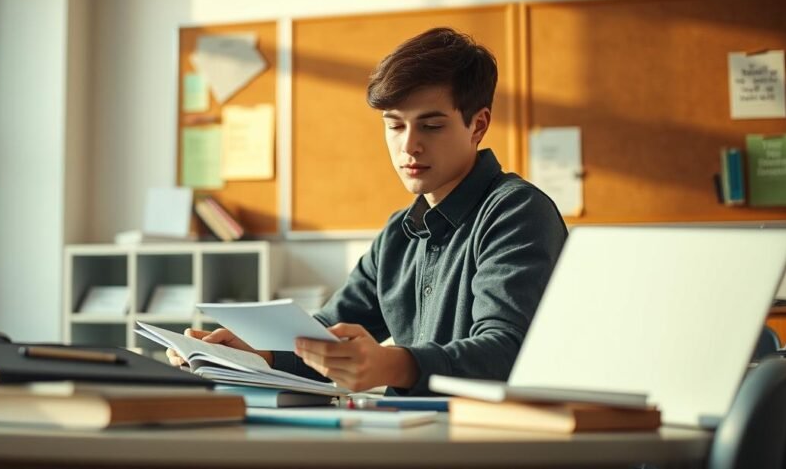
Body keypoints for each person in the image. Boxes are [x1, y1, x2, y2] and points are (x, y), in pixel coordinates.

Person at [169, 27, 568, 395]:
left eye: (431, 126)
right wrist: (253, 354)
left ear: (477, 126)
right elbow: (325, 337)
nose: (409, 146)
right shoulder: (399, 232)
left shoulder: (516, 212)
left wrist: (395, 365)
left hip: (491, 444)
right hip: (411, 437)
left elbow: (506, 351)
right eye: (394, 126)